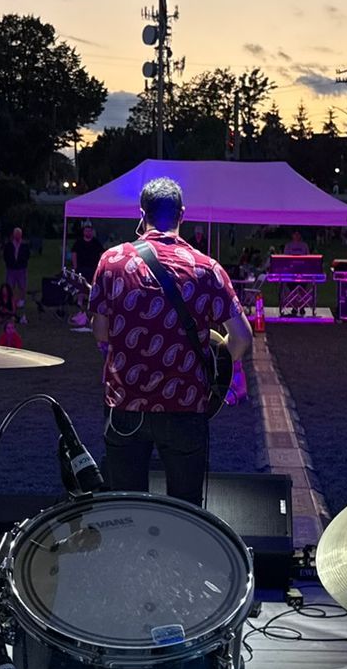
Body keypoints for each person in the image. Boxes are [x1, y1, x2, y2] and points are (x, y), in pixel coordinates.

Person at [89, 177, 252, 506]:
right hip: (185, 405)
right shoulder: (207, 269)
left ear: (142, 213)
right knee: (186, 509)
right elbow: (243, 337)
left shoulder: (112, 261)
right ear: (182, 214)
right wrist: (216, 374)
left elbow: (101, 333)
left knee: (125, 507)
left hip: (126, 405)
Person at [2, 226, 32, 314]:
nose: (17, 236)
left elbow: (27, 256)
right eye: (16, 234)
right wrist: (10, 263)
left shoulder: (25, 245)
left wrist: (22, 262)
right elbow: (5, 255)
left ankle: (21, 301)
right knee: (10, 285)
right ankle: (10, 301)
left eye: (19, 234)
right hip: (11, 269)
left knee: (22, 285)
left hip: (21, 269)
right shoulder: (9, 245)